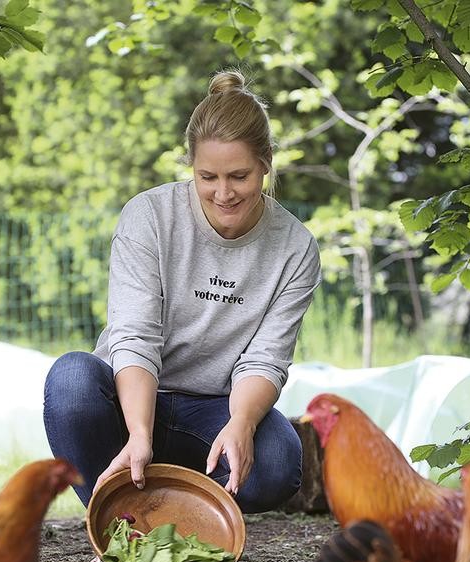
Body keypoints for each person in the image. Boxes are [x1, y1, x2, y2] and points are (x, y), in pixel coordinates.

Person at [43, 69, 321, 514]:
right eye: (207, 176)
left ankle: (187, 517)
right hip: (130, 395)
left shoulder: (295, 247)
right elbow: (134, 336)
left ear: (266, 162)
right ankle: (120, 525)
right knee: (71, 379)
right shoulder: (149, 216)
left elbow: (266, 358)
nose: (223, 193)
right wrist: (138, 433)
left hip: (213, 410)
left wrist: (243, 423)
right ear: (191, 165)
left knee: (278, 461)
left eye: (240, 176)